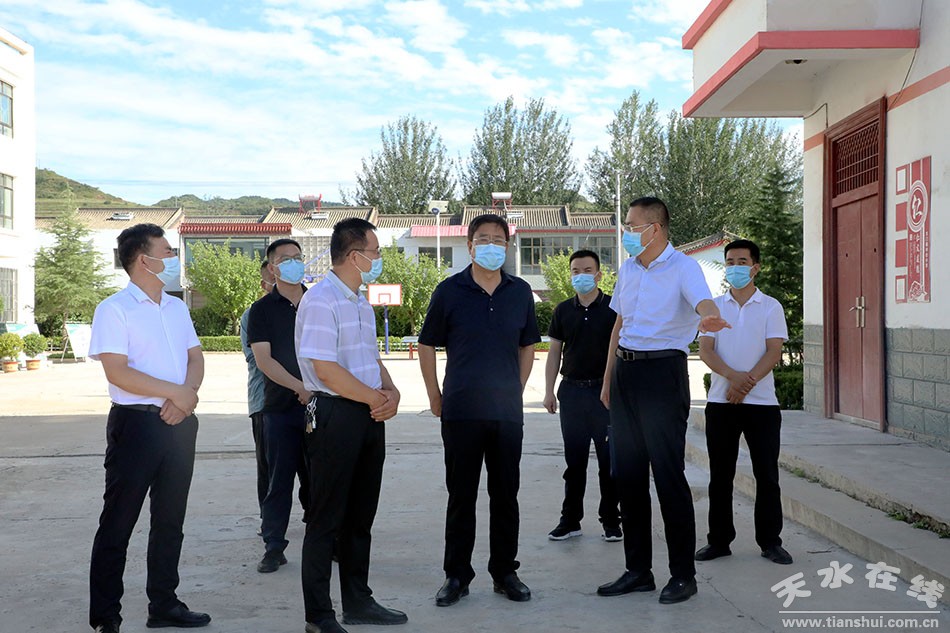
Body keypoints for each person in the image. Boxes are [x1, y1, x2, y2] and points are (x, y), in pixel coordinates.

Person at [596, 196, 729, 605]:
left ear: (654, 229)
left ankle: (683, 575)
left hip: (662, 375)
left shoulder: (683, 268)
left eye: (631, 226)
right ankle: (638, 570)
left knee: (668, 476)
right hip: (626, 373)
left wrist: (708, 315)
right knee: (628, 477)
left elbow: (703, 302)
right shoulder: (629, 269)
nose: (626, 232)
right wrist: (609, 378)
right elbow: (619, 324)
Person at [87, 223, 210, 633]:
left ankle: (164, 604)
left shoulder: (176, 308)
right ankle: (106, 616)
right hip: (136, 426)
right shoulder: (114, 309)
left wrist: (186, 396)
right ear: (144, 259)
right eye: (168, 251)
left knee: (170, 521)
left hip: (180, 424)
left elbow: (195, 357)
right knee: (118, 522)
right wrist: (177, 394)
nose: (175, 258)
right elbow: (118, 372)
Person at [418, 213, 541, 608]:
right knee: (461, 496)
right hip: (461, 410)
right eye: (483, 239)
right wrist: (434, 395)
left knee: (506, 495)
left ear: (507, 246)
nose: (491, 245)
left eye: (498, 240)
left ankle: (505, 573)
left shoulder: (520, 292)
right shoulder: (449, 291)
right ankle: (456, 575)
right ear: (470, 246)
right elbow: (426, 344)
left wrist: (515, 389)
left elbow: (528, 345)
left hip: (506, 413)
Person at [296, 218, 407, 633]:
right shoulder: (321, 300)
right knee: (325, 519)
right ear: (354, 255)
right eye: (375, 252)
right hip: (335, 415)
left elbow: (369, 358)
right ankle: (319, 616)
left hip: (367, 414)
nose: (378, 259)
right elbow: (325, 369)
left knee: (360, 516)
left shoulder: (359, 302)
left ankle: (358, 601)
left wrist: (390, 391)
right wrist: (375, 399)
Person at [694, 239, 792, 565]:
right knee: (720, 476)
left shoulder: (771, 307)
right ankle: (719, 541)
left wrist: (745, 384)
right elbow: (705, 350)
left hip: (762, 405)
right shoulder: (713, 307)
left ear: (755, 267)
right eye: (730, 262)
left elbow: (774, 351)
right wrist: (733, 378)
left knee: (767, 475)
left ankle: (770, 542)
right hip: (721, 403)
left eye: (742, 262)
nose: (735, 268)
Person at [543, 249, 622, 542]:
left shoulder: (614, 308)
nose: (581, 276)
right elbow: (554, 354)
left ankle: (611, 521)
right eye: (576, 271)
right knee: (574, 463)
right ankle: (570, 521)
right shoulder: (562, 310)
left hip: (605, 394)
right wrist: (549, 391)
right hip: (572, 393)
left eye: (587, 270)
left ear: (599, 275)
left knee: (608, 463)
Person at [247, 238, 312, 573]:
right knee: (278, 481)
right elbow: (264, 360)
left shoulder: (318, 302)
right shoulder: (261, 310)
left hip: (321, 406)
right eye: (286, 259)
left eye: (298, 257)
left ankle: (326, 542)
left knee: (320, 480)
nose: (294, 263)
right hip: (280, 409)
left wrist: (316, 389)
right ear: (272, 268)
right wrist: (299, 387)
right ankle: (274, 546)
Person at [239, 260, 275, 532]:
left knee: (312, 468)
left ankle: (317, 522)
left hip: (307, 399)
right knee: (269, 468)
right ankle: (271, 526)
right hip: (266, 402)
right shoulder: (253, 315)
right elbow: (256, 359)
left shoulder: (308, 309)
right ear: (264, 284)